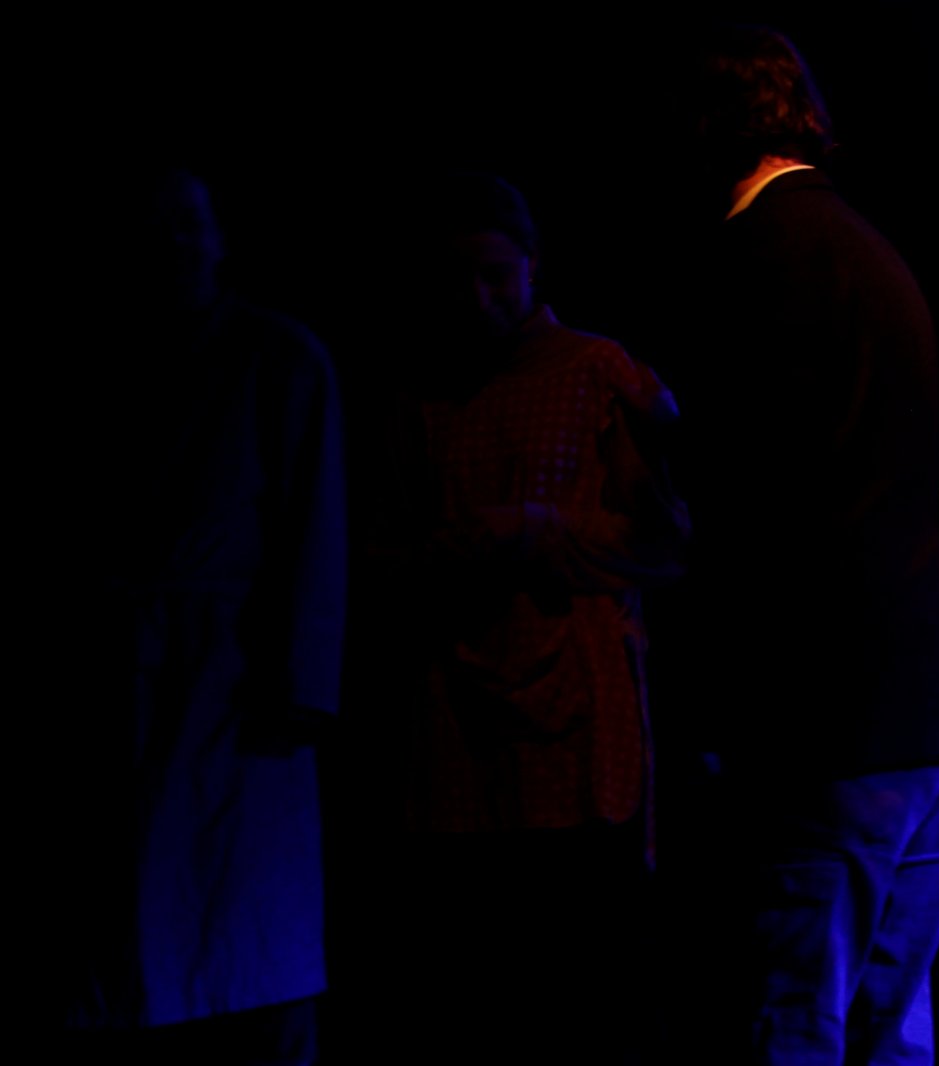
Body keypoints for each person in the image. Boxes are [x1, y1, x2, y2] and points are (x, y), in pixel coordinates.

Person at [683, 27, 939, 1064]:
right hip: (937, 703)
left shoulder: (756, 258)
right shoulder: (870, 250)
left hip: (837, 713)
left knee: (799, 1014)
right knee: (890, 1022)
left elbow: (756, 497)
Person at [375, 172, 687, 1062]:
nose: (477, 298)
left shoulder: (596, 371)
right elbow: (383, 549)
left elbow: (665, 541)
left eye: (496, 275)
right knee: (481, 968)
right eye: (457, 279)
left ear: (533, 267)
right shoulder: (419, 393)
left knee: (582, 961)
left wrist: (537, 531)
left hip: (577, 712)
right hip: (455, 714)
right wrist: (456, 550)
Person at [63, 170, 345, 1066]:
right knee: (131, 911)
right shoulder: (103, 359)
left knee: (248, 908)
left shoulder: (281, 357)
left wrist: (301, 684)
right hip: (124, 668)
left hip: (239, 677)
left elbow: (313, 524)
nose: (175, 246)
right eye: (156, 230)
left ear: (221, 239)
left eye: (191, 226)